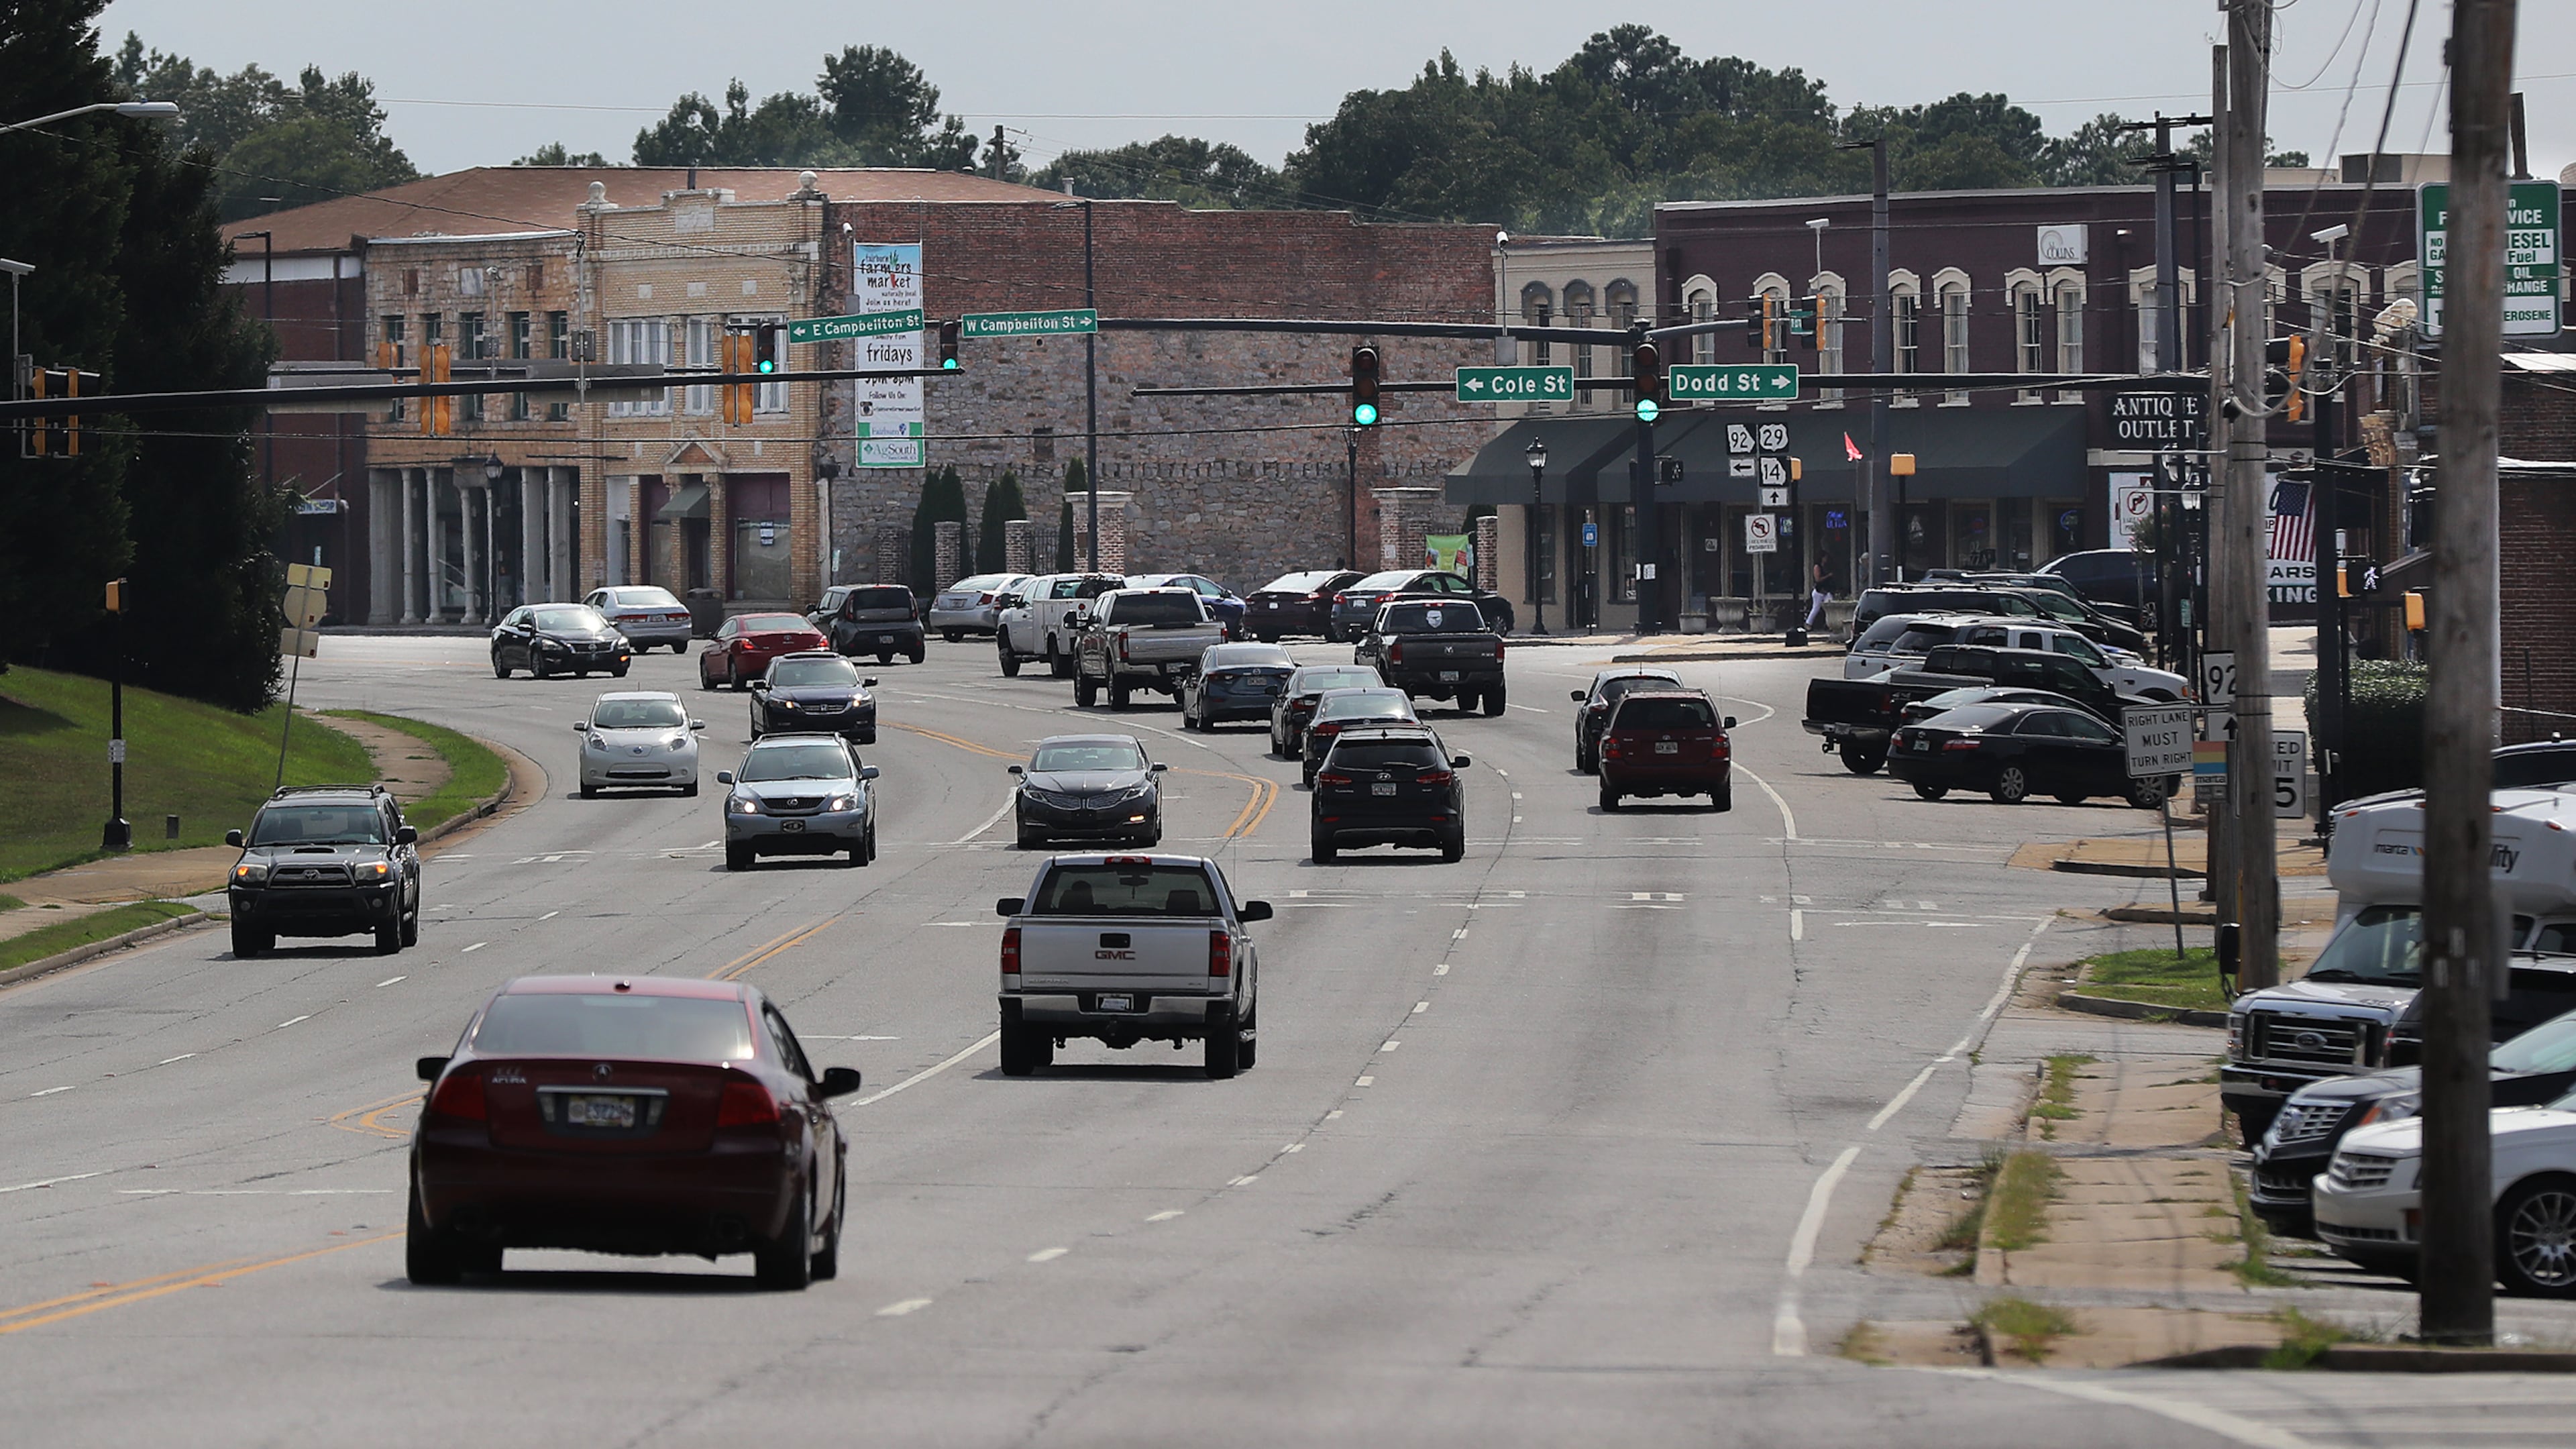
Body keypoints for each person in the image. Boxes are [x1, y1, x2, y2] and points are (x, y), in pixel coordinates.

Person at [1805, 558, 1833, 630]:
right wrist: (1828, 576)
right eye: (1825, 557)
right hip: (1819, 591)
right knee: (1816, 608)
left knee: (1830, 606)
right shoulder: (1817, 567)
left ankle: (1830, 624)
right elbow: (1818, 579)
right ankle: (1808, 623)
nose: (1826, 559)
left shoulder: (1826, 567)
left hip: (1827, 591)